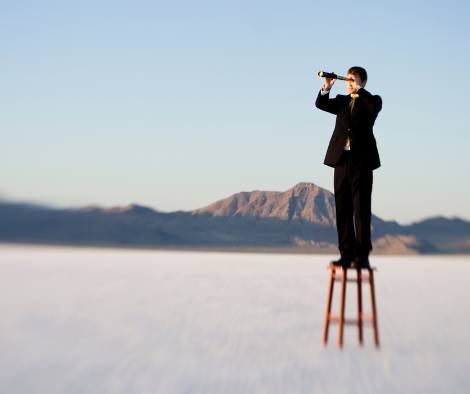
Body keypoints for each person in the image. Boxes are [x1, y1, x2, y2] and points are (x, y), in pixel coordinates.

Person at [315, 67, 382, 268]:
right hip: (340, 161)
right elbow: (321, 103)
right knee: (342, 210)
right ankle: (346, 255)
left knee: (361, 210)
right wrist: (327, 86)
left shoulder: (371, 100)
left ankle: (361, 257)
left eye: (354, 79)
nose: (349, 83)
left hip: (361, 162)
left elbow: (373, 108)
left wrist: (359, 90)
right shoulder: (342, 101)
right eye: (348, 80)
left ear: (363, 82)